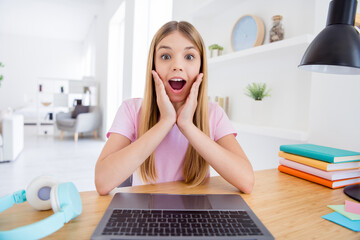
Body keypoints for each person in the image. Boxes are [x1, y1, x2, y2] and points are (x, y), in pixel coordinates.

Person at [95, 21, 254, 195]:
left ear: (201, 67)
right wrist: (166, 122)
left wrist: (187, 125)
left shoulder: (214, 113)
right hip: (146, 213)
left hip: (196, 215)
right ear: (153, 65)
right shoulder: (131, 110)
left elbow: (246, 181)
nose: (177, 66)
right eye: (165, 56)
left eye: (189, 57)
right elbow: (102, 182)